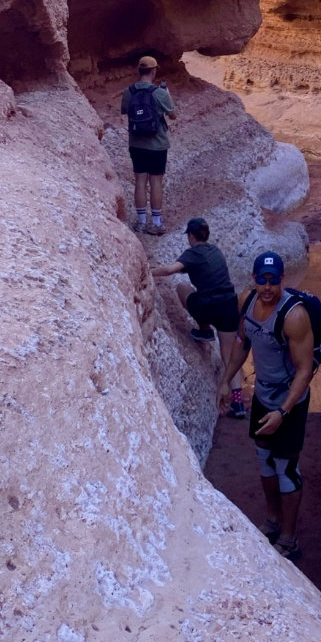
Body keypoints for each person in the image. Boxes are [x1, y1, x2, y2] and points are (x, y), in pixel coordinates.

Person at [218, 251, 315, 561]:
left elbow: (305, 370)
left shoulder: (294, 316)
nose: (268, 287)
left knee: (286, 468)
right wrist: (226, 380)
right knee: (264, 460)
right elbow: (241, 343)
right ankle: (272, 521)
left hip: (290, 402)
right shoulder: (247, 301)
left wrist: (283, 412)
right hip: (262, 396)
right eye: (263, 280)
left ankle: (290, 539)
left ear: (282, 280)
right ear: (254, 279)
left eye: (274, 281)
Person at [152, 218, 246, 418]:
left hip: (208, 307)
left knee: (183, 289)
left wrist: (149, 271)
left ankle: (204, 330)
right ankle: (238, 403)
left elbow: (170, 270)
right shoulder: (216, 251)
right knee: (230, 355)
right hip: (229, 304)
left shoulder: (192, 253)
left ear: (191, 236)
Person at [120, 56, 175, 235]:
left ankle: (141, 222)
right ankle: (156, 223)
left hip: (136, 144)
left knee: (140, 181)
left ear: (139, 70)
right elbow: (173, 115)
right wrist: (167, 95)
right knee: (156, 182)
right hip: (157, 145)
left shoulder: (128, 92)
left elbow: (125, 111)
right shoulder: (159, 93)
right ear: (154, 71)